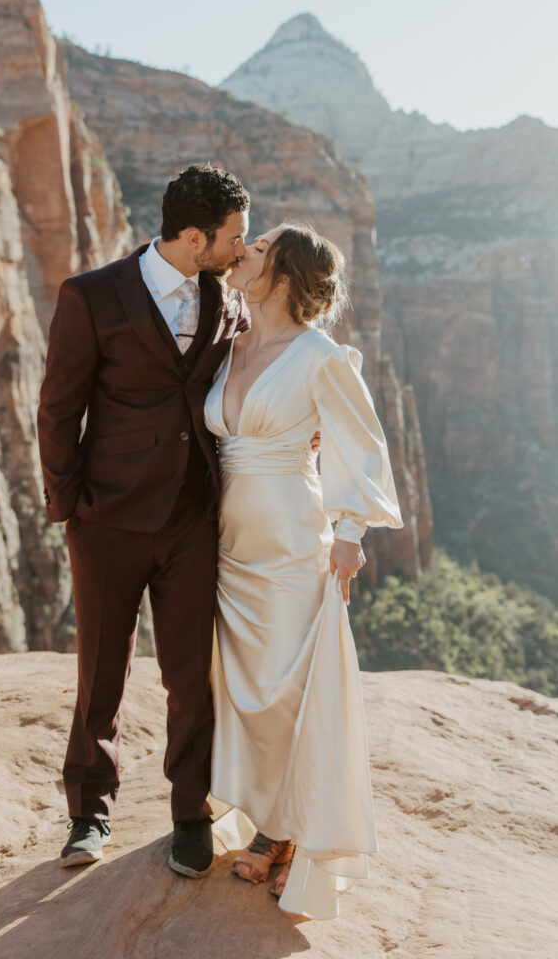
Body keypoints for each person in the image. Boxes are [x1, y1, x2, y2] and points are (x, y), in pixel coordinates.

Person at [37, 164, 251, 877]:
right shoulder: (92, 296)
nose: (238, 251)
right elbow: (58, 408)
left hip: (194, 518)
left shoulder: (229, 299)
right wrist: (70, 506)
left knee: (191, 675)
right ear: (193, 238)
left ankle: (189, 815)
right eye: (230, 238)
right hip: (108, 519)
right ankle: (87, 816)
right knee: (102, 672)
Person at [204, 222, 403, 919]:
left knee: (288, 693)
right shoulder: (224, 345)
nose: (239, 253)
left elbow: (361, 442)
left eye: (254, 250)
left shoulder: (320, 355)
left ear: (282, 275)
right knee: (239, 689)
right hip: (223, 546)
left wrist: (349, 532)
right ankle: (255, 808)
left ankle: (284, 830)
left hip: (291, 541)